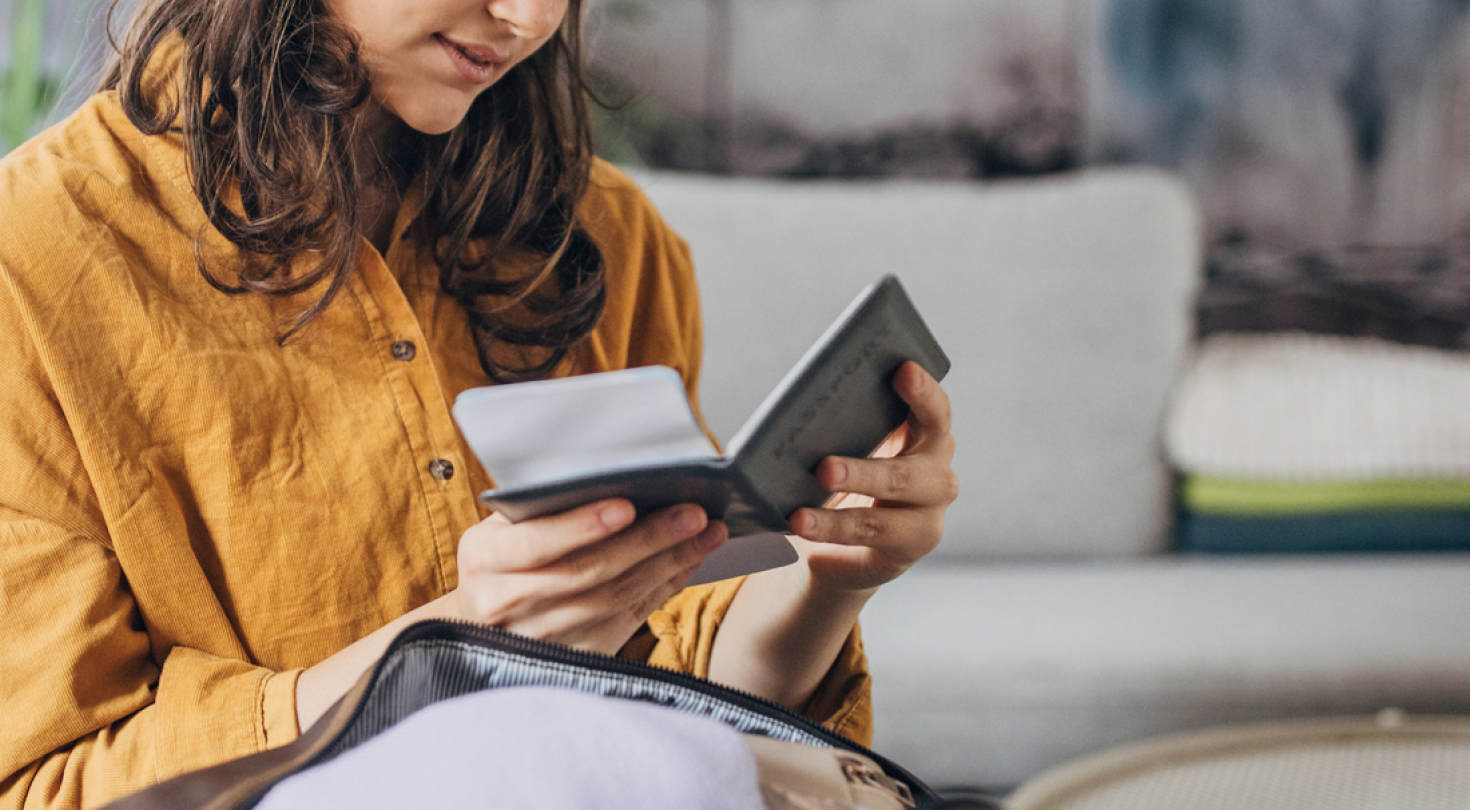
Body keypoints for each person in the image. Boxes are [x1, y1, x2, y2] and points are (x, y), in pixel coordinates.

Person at [0, 0, 959, 807]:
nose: (532, 17)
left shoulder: (607, 236)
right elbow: (53, 780)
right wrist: (450, 650)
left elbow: (685, 691)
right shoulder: (31, 264)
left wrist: (829, 577)